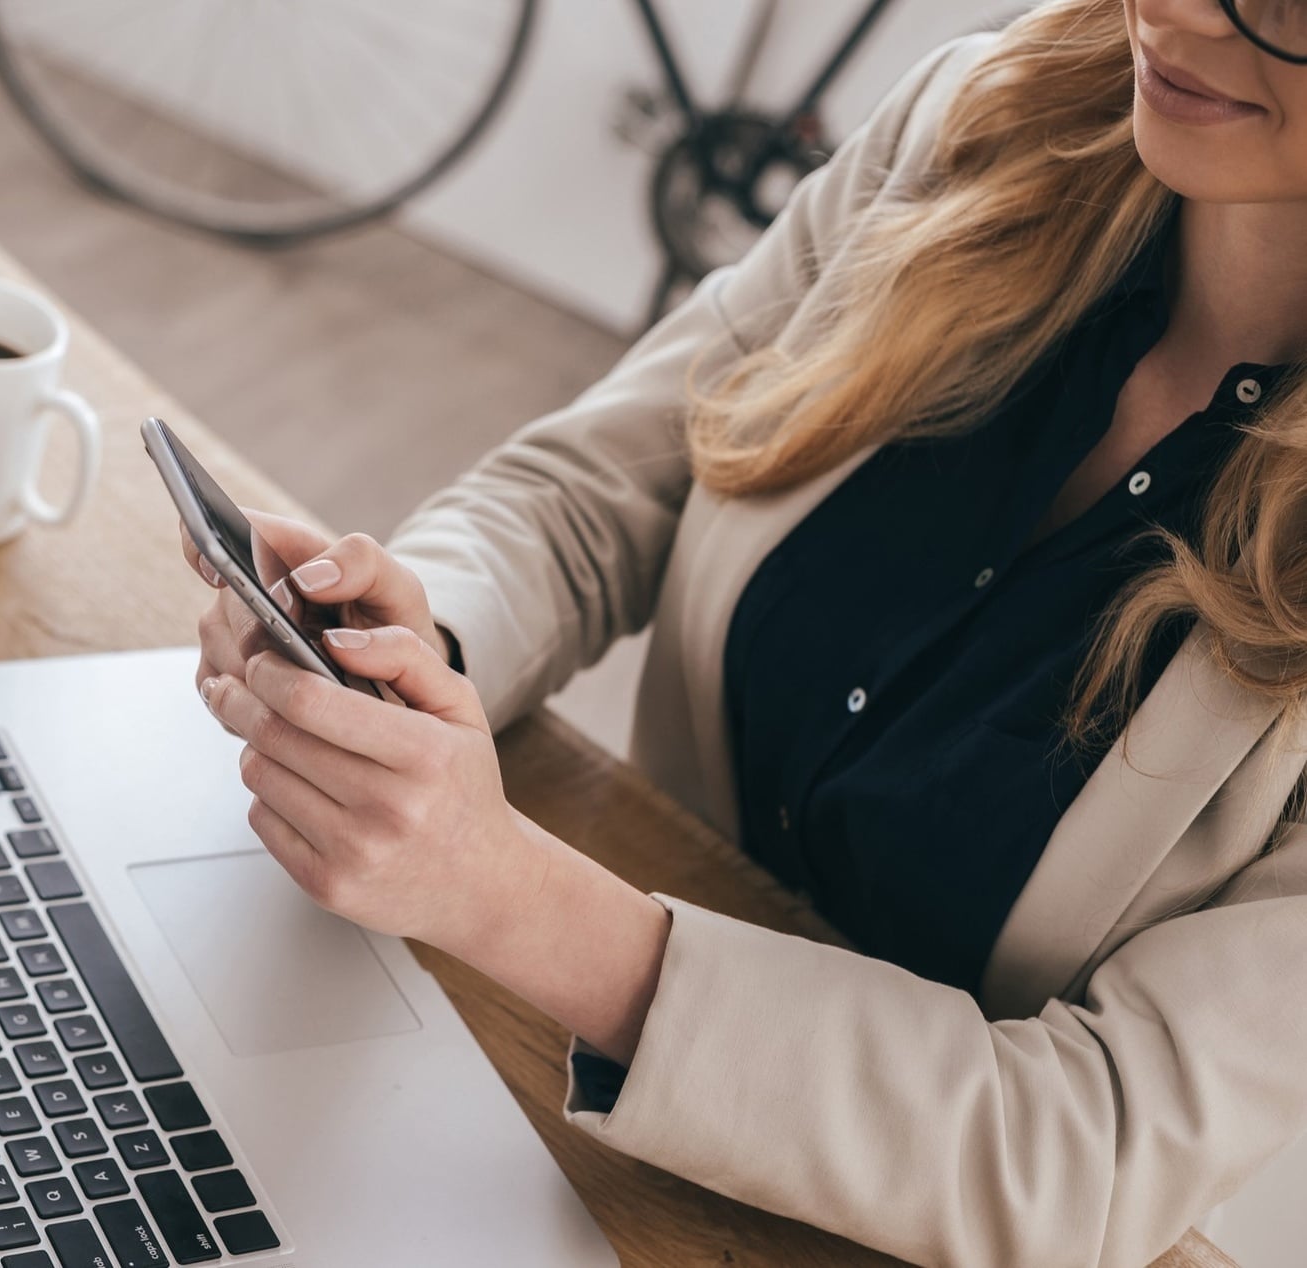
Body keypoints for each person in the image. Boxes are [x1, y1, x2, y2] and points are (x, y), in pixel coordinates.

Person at [179, 0, 1307, 1264]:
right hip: (524, 1100)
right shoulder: (983, 121)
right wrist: (410, 648)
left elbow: (1088, 1143)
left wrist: (512, 897)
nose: (1182, 11)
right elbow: (601, 482)